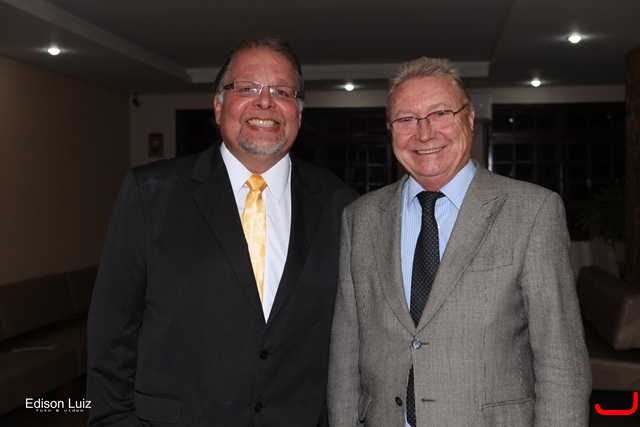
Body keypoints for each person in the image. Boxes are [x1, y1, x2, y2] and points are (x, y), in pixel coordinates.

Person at [87, 33, 358, 427]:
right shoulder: (149, 194)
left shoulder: (343, 207)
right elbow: (112, 332)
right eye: (247, 88)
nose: (265, 102)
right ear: (218, 106)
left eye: (282, 91)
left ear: (299, 113)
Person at [327, 57, 591, 426]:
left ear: (469, 118)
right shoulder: (360, 219)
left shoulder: (533, 211)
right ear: (391, 130)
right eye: (406, 119)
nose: (424, 133)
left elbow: (561, 364)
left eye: (439, 113)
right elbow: (345, 355)